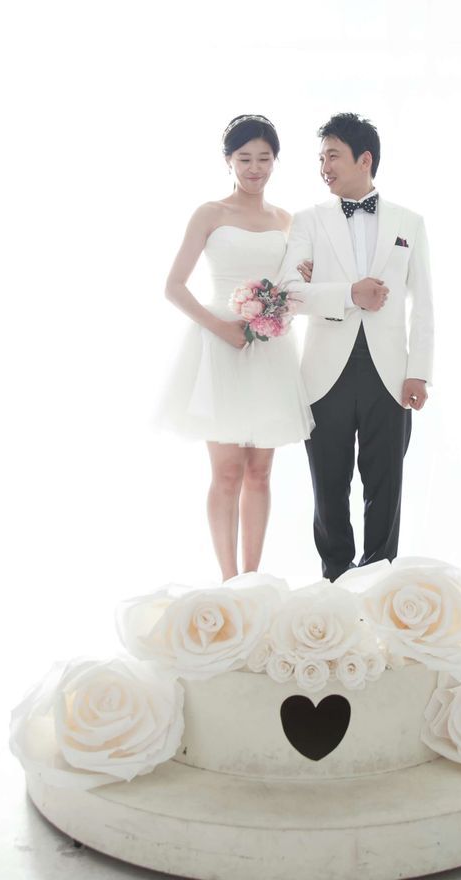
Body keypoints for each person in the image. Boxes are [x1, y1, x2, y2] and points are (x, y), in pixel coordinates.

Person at [278, 112, 435, 581]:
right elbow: (288, 293)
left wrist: (419, 371)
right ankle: (334, 583)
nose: (324, 167)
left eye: (333, 156)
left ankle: (379, 583)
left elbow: (424, 303)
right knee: (328, 487)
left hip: (390, 374)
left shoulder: (410, 222)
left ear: (364, 159)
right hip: (324, 373)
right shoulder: (307, 222)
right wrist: (349, 294)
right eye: (320, 158)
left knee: (386, 487)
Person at [158, 114, 313, 582]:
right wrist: (221, 328)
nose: (255, 168)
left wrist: (292, 294)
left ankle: (252, 579)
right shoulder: (210, 214)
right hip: (220, 346)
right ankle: (228, 580)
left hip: (269, 348)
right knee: (226, 472)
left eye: (264, 159)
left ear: (276, 162)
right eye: (245, 159)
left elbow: (294, 287)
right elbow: (174, 286)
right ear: (228, 160)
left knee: (259, 472)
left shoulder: (286, 221)